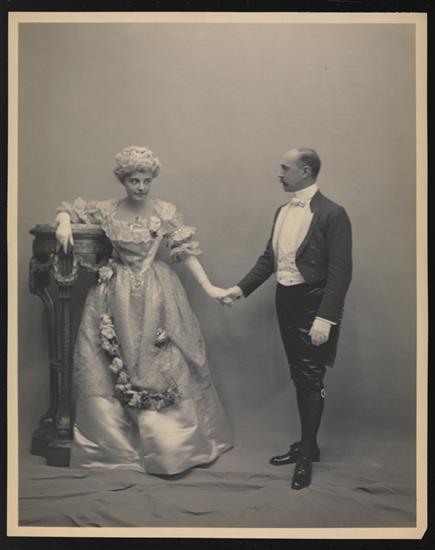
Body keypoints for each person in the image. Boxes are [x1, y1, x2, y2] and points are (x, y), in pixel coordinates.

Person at [55, 146, 233, 475]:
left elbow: (185, 252)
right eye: (134, 180)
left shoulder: (164, 211)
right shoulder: (107, 209)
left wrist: (210, 288)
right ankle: (120, 445)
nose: (141, 186)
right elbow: (69, 208)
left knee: (164, 358)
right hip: (115, 291)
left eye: (146, 180)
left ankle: (170, 447)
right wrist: (64, 222)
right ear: (123, 180)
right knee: (111, 358)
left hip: (157, 291)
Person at [223, 148, 352, 490]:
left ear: (305, 171)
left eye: (285, 168)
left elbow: (340, 273)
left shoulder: (333, 213)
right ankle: (308, 444)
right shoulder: (282, 211)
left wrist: (326, 318)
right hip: (286, 301)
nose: (279, 173)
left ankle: (307, 453)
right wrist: (239, 289)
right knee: (300, 374)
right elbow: (269, 259)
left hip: (314, 305)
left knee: (311, 376)